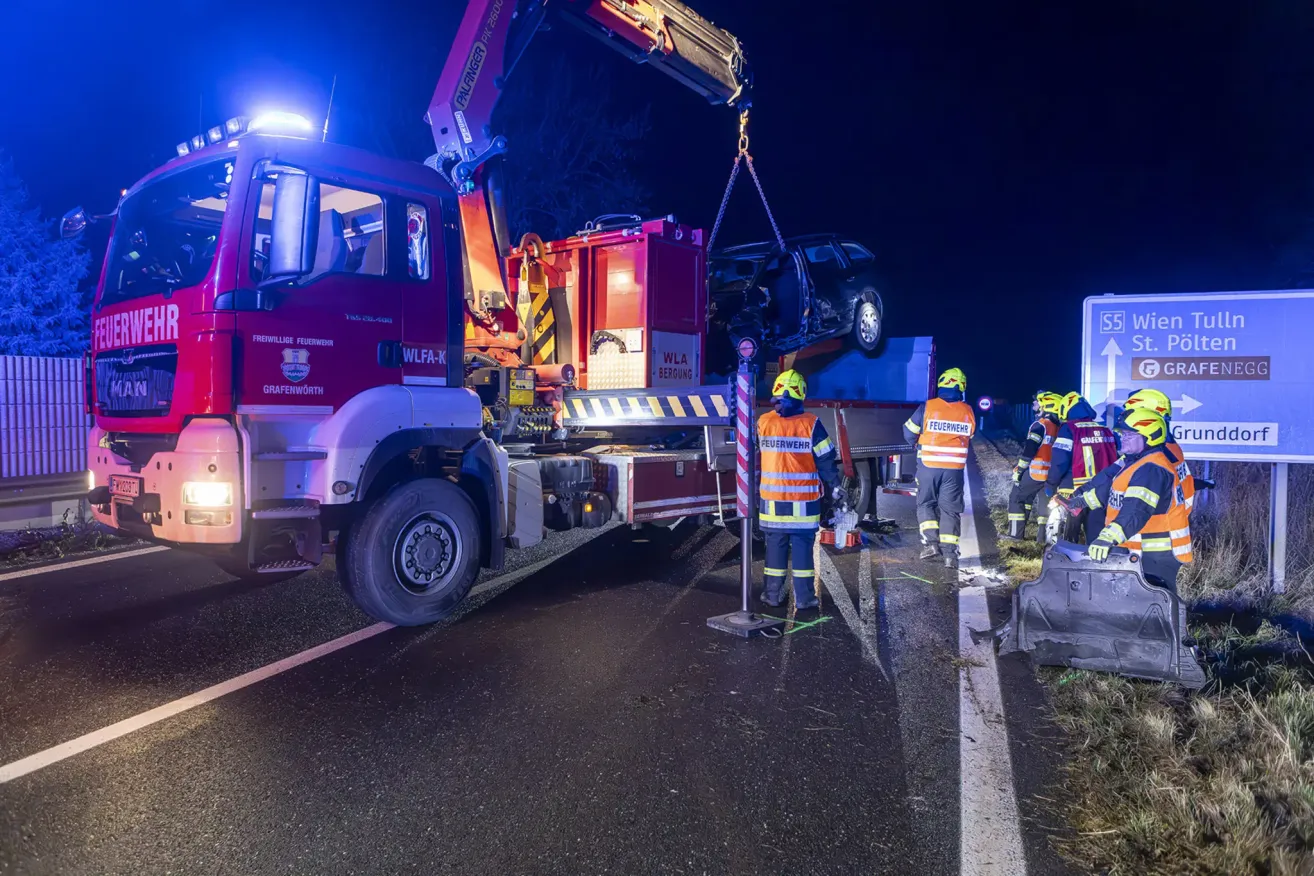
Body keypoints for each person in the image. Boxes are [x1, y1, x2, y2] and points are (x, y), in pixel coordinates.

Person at [1065, 408, 1193, 591]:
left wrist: (1106, 538)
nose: (1123, 437)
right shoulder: (1136, 462)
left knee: (1152, 608)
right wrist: (1082, 501)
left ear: (1150, 437)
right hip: (1141, 551)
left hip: (1155, 555)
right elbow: (1112, 492)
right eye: (1123, 433)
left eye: (1130, 434)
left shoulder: (1151, 469)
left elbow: (1136, 511)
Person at [756, 369, 842, 610]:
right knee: (803, 551)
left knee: (774, 549)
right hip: (803, 504)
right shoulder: (812, 424)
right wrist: (835, 487)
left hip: (772, 502)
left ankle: (773, 595)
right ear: (801, 395)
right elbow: (826, 460)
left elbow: (753, 457)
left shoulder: (763, 423)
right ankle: (805, 599)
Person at [903, 367, 977, 569]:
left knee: (926, 504)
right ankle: (950, 556)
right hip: (953, 470)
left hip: (928, 466)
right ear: (961, 386)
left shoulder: (928, 407)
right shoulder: (967, 410)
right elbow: (970, 434)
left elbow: (908, 431)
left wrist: (916, 443)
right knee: (950, 510)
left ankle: (931, 544)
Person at [1045, 391, 1118, 544]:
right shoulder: (1105, 430)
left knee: (1068, 537)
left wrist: (1051, 485)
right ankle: (1095, 563)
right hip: (1099, 492)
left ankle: (1067, 564)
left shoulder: (1069, 429)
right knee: (1096, 534)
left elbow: (1059, 461)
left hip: (1072, 491)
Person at [1005, 391, 1063, 541]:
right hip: (1052, 476)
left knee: (1017, 497)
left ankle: (1015, 535)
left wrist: (1020, 470)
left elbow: (1029, 450)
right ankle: (1043, 538)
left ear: (1045, 406)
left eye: (1038, 403)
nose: (1034, 405)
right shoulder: (1061, 428)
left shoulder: (1040, 425)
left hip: (1035, 473)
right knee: (1045, 504)